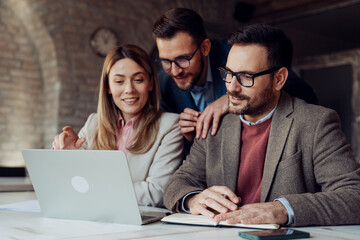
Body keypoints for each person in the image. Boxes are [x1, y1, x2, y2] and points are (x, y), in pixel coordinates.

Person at [163, 25, 360, 227]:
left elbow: (355, 196)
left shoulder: (317, 123)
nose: (231, 87)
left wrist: (282, 209)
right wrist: (193, 199)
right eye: (228, 73)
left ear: (279, 79)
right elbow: (176, 184)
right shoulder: (216, 124)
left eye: (246, 77)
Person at [152, 8, 318, 145]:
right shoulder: (163, 83)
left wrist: (230, 97)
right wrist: (184, 136)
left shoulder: (237, 54)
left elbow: (303, 92)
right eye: (165, 61)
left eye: (183, 59)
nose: (174, 71)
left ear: (205, 48)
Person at [52, 44, 184, 207]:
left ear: (150, 83)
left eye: (138, 80)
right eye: (119, 81)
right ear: (108, 86)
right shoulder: (93, 123)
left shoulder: (170, 125)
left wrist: (95, 188)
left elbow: (157, 192)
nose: (129, 89)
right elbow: (73, 181)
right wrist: (68, 155)